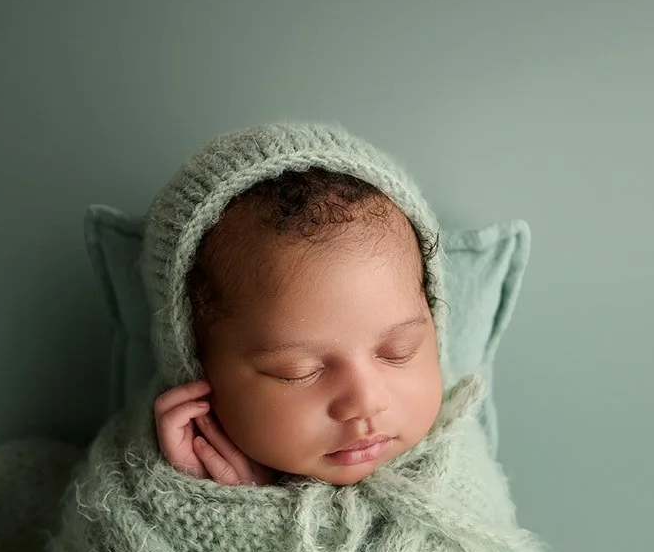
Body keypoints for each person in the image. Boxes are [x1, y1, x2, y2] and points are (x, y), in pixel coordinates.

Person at [153, 168, 445, 488]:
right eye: (297, 372)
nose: (365, 402)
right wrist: (224, 499)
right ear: (196, 362)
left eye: (399, 352)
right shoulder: (148, 481)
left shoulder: (454, 459)